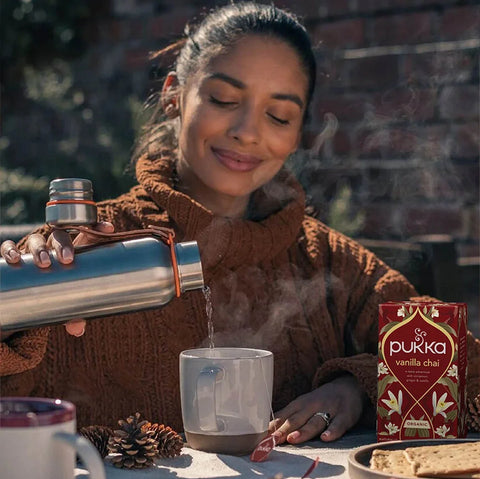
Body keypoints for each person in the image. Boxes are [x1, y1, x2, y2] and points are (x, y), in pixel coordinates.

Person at [1, 2, 479, 446]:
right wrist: (16, 304)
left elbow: (464, 361)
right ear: (174, 97)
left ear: (297, 134)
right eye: (225, 98)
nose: (248, 131)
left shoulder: (328, 261)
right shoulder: (88, 247)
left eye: (278, 114)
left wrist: (356, 387)